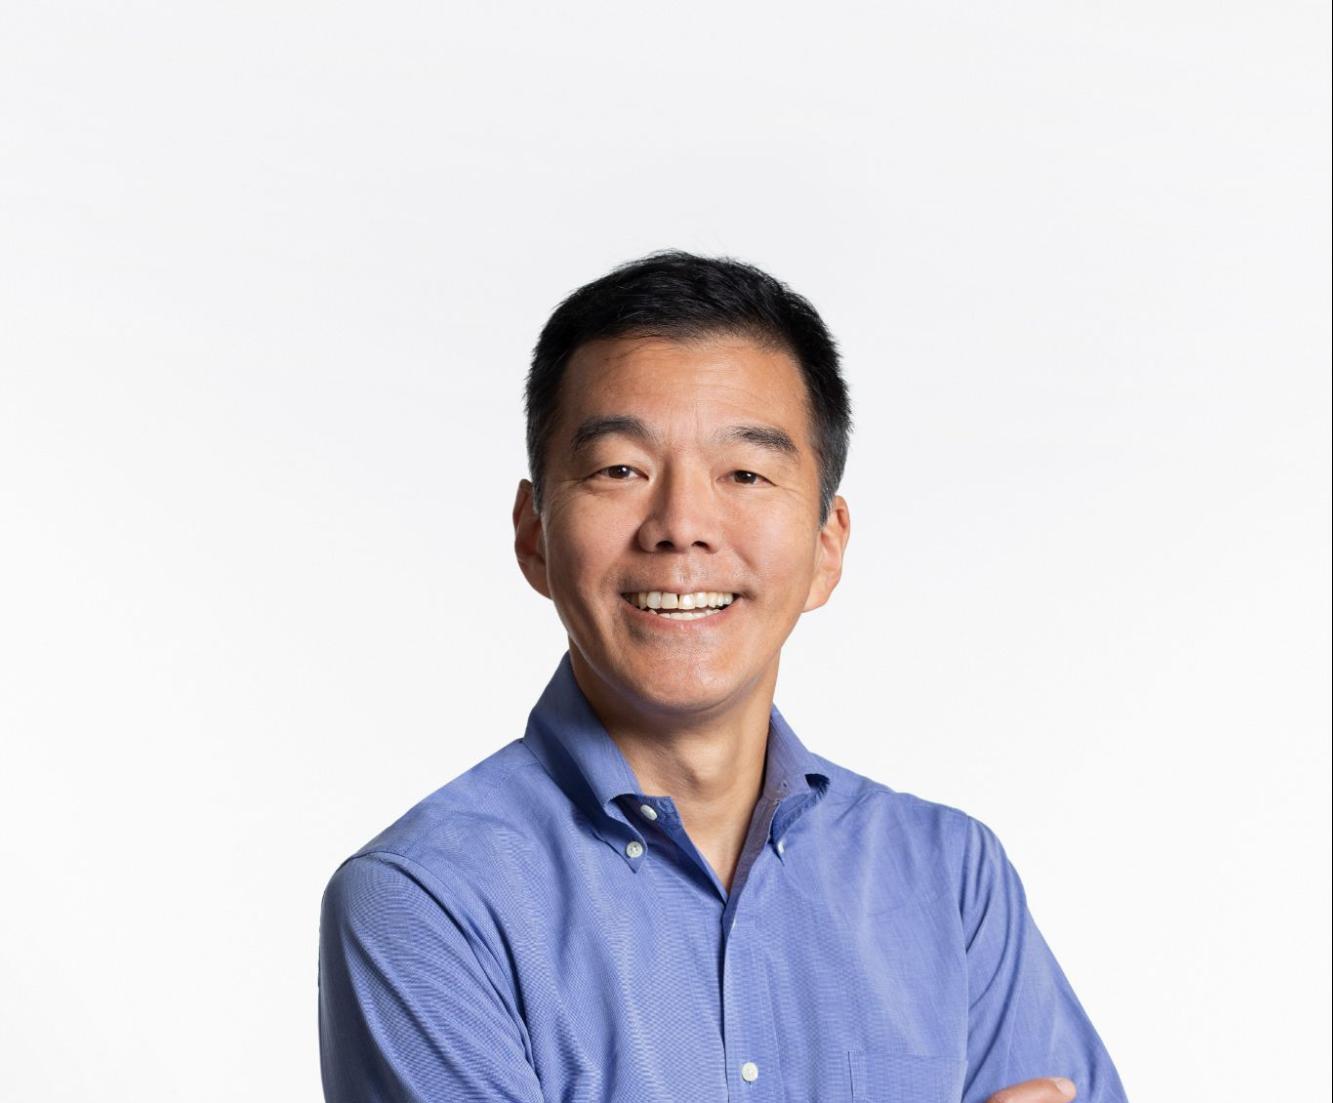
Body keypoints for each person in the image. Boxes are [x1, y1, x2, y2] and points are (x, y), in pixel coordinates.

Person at [317, 250, 1130, 1102]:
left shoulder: (950, 878)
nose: (681, 526)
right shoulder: (427, 901)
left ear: (827, 546)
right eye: (620, 470)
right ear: (534, 534)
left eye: (744, 473)